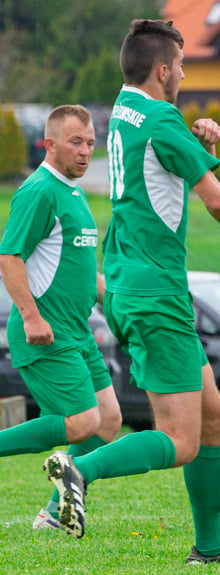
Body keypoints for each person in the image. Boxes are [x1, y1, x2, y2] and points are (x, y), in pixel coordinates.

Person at [41, 19, 220, 565]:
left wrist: (197, 141)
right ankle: (78, 471)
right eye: (181, 67)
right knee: (182, 440)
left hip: (129, 282)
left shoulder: (124, 110)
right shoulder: (162, 117)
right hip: (155, 293)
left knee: (213, 416)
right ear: (163, 70)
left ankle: (208, 549)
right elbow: (215, 202)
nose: (183, 75)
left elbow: (160, 169)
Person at [0, 105, 122, 531]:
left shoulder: (75, 194)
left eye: (90, 142)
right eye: (75, 142)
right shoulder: (38, 191)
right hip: (45, 333)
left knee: (107, 422)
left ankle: (53, 514)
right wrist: (32, 317)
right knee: (82, 421)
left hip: (78, 331)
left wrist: (119, 302)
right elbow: (8, 256)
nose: (85, 151)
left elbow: (83, 271)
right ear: (48, 144)